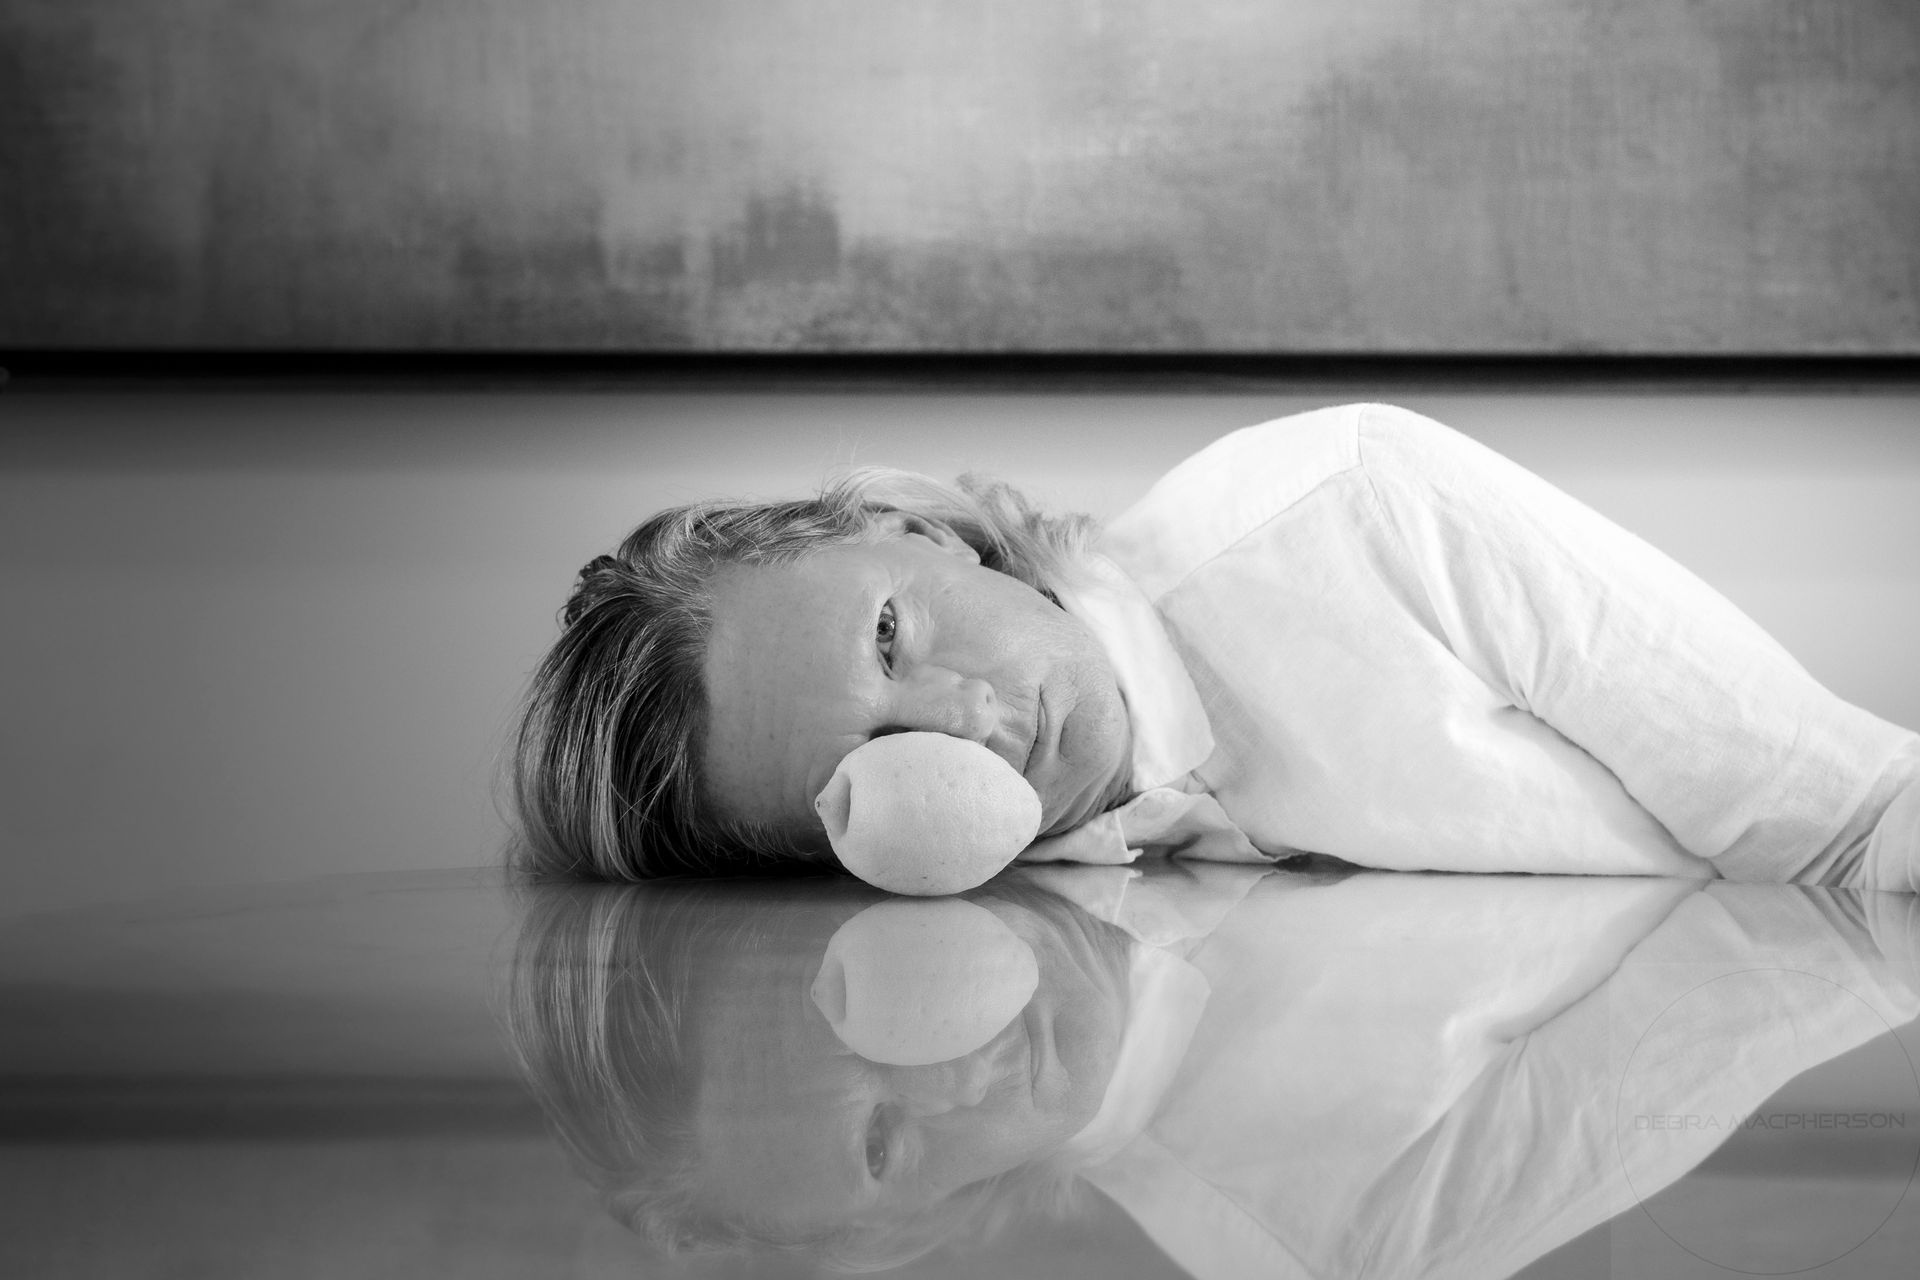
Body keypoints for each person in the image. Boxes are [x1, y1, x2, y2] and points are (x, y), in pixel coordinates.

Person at [512, 403, 1920, 889]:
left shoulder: (1354, 507)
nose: (972, 724)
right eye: (869, 767)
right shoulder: (1036, 949)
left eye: (893, 637)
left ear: (923, 534)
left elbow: (1854, 818)